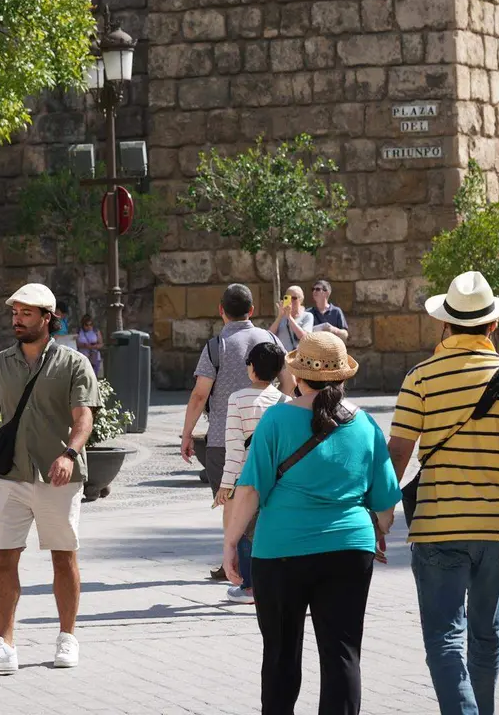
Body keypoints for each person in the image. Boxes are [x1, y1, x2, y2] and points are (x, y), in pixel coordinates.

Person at [387, 271, 499, 715]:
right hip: (496, 526)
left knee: (444, 637)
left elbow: (398, 455)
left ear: (445, 324)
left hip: (437, 528)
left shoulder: (419, 379)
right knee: (487, 635)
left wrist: (379, 515)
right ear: (492, 325)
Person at [223, 331, 399, 715]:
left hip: (281, 552)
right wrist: (377, 532)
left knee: (282, 655)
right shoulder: (365, 424)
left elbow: (250, 490)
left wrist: (231, 544)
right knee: (342, 655)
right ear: (342, 377)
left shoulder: (276, 420)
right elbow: (385, 507)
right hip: (350, 551)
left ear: (298, 375)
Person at [0, 283, 101, 673]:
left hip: (59, 477)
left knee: (63, 557)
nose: (17, 320)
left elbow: (83, 416)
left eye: (25, 313)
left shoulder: (74, 364)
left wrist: (70, 454)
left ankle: (67, 637)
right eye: (14, 313)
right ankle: (4, 645)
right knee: (2, 557)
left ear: (47, 318)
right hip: (10, 476)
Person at [180, 284, 294, 581]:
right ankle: (260, 559)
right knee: (265, 499)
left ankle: (232, 562)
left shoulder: (216, 346)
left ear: (221, 311)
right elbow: (289, 381)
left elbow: (199, 395)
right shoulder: (269, 338)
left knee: (230, 500)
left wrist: (187, 435)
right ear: (252, 310)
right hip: (268, 435)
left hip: (222, 438)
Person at [215, 341, 286, 605]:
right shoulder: (285, 401)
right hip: (278, 477)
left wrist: (226, 485)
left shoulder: (237, 399)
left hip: (247, 476)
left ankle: (249, 587)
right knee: (271, 528)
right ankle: (274, 582)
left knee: (245, 529)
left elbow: (234, 447)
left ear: (252, 368)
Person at [270, 285, 314, 351]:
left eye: (294, 298)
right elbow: (270, 335)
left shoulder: (307, 316)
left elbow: (304, 337)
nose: (290, 301)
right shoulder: (281, 317)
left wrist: (289, 317)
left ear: (301, 299)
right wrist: (279, 317)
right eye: (287, 298)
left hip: (298, 357)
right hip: (282, 356)